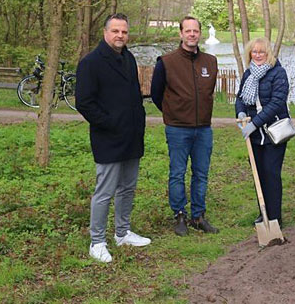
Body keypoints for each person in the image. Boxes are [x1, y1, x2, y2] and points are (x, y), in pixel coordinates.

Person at [76, 13, 151, 263]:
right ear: (105, 33)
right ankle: (97, 241)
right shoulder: (91, 63)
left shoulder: (128, 57)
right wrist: (110, 123)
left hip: (132, 136)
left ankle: (122, 232)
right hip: (108, 138)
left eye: (124, 32)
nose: (120, 36)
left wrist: (136, 120)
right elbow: (84, 103)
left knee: (127, 188)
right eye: (116, 31)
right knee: (105, 192)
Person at [150, 16, 220, 236]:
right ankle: (179, 214)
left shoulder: (210, 62)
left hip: (203, 128)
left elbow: (208, 92)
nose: (192, 34)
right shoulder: (167, 62)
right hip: (178, 128)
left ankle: (198, 216)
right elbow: (155, 93)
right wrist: (173, 113)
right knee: (177, 173)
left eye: (195, 31)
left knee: (201, 173)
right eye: (187, 31)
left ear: (199, 34)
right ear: (180, 34)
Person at [235, 38, 289, 226]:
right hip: (255, 135)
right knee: (258, 174)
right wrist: (240, 112)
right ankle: (263, 212)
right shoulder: (248, 73)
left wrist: (254, 123)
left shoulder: (278, 73)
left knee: (271, 173)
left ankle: (275, 216)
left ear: (269, 54)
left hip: (274, 132)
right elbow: (240, 97)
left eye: (262, 52)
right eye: (254, 52)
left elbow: (276, 103)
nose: (258, 55)